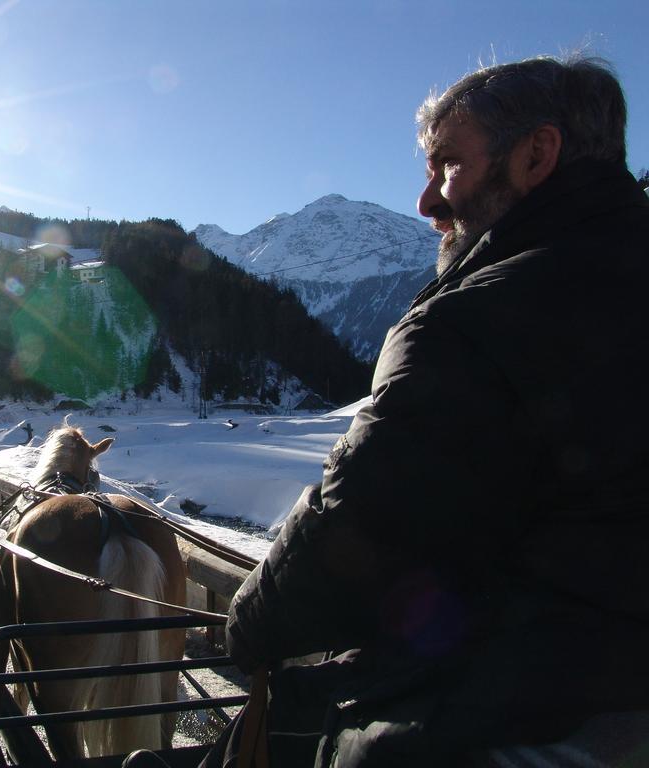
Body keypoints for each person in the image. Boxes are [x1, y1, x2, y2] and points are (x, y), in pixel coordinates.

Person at [213, 54, 649, 767]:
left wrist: (251, 622)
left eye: (447, 166)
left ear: (537, 154)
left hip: (536, 716)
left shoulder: (474, 321)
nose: (426, 201)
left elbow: (362, 525)